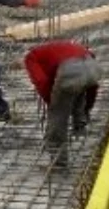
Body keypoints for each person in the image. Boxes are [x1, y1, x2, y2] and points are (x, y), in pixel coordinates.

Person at [24, 40, 100, 168]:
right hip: (92, 65)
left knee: (57, 118)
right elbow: (91, 88)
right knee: (77, 88)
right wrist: (87, 108)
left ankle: (59, 162)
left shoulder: (31, 57)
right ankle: (80, 128)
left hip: (70, 70)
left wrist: (52, 103)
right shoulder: (65, 47)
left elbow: (41, 81)